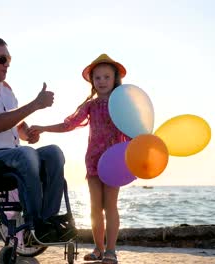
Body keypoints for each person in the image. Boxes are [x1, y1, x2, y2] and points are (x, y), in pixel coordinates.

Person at [0, 36, 76, 244]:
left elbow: (15, 124)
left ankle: (47, 221)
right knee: (26, 154)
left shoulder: (6, 91)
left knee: (54, 152)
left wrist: (28, 133)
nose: (7, 65)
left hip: (15, 154)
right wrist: (36, 104)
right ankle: (35, 222)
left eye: (9, 59)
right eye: (2, 59)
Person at [29, 54, 130, 263]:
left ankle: (111, 250)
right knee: (95, 207)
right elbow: (69, 124)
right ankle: (98, 249)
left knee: (110, 205)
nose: (101, 81)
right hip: (93, 159)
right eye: (97, 78)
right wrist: (44, 128)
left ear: (115, 80)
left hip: (114, 160)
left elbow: (132, 128)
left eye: (106, 77)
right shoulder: (91, 106)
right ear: (92, 81)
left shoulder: (122, 103)